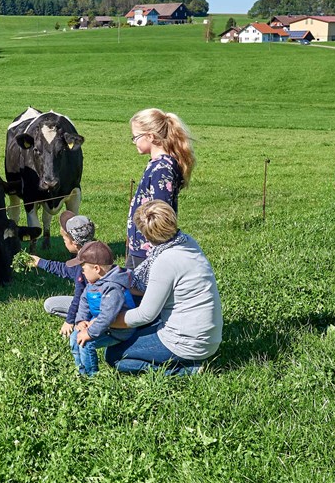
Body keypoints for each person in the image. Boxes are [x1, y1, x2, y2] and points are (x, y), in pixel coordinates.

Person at [105, 200, 221, 375]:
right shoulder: (187, 242)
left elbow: (145, 314)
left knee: (114, 356)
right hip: (209, 337)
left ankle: (186, 371)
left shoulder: (165, 260)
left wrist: (109, 320)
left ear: (146, 235)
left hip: (186, 342)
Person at [126, 108, 196, 274]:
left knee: (139, 296)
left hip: (149, 251)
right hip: (141, 247)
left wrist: (155, 252)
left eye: (135, 137)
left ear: (150, 136)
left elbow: (160, 215)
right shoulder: (157, 164)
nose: (134, 141)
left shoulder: (162, 169)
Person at [66, 241, 135, 376]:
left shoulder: (113, 287)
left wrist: (90, 333)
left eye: (83, 268)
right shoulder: (93, 283)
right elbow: (84, 302)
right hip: (101, 326)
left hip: (119, 330)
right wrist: (81, 320)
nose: (82, 272)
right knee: (75, 337)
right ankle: (80, 372)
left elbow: (108, 317)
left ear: (97, 269)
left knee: (86, 343)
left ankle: (92, 377)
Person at [30, 210, 96, 338]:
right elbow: (65, 269)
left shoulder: (85, 265)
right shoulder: (91, 252)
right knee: (49, 304)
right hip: (91, 302)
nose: (64, 242)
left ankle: (89, 320)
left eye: (64, 239)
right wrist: (40, 262)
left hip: (94, 305)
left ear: (74, 243)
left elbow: (79, 295)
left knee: (75, 337)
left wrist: (70, 321)